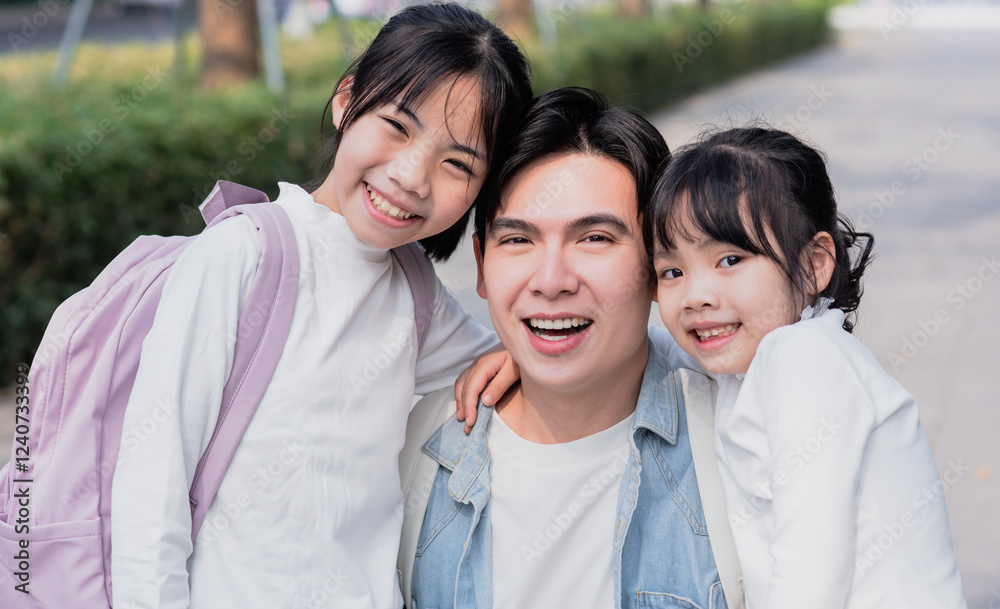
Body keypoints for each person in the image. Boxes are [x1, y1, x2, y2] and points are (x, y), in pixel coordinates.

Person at [110, 5, 532, 609]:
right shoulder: (245, 256)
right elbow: (151, 488)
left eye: (458, 163)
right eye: (396, 125)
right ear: (346, 101)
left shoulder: (413, 293)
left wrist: (520, 353)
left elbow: (528, 361)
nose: (413, 176)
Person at [405, 87, 728, 609]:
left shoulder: (738, 442)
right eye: (518, 240)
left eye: (595, 238)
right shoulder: (412, 456)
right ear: (482, 264)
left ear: (658, 263)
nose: (551, 280)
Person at [649, 127, 967, 608]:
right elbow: (639, 350)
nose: (696, 296)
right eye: (672, 272)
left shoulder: (805, 359)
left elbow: (810, 577)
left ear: (815, 264)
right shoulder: (747, 363)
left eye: (730, 259)